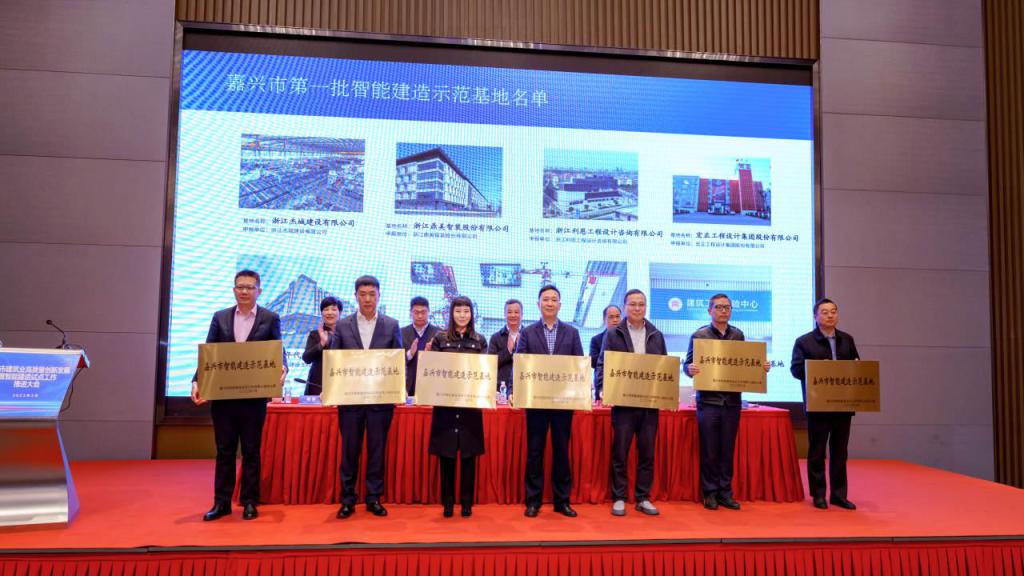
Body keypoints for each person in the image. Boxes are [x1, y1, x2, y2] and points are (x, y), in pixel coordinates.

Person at [191, 270, 286, 522]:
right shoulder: (220, 317)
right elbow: (209, 353)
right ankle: (221, 503)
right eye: (240, 287)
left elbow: (278, 349)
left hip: (254, 398)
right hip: (224, 397)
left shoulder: (270, 317)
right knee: (224, 451)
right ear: (234, 290)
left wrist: (283, 367)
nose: (244, 291)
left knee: (251, 451)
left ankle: (249, 502)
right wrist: (196, 381)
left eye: (249, 287)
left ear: (259, 291)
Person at [683, 293, 770, 511]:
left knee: (727, 449)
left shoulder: (737, 334)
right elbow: (687, 365)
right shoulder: (700, 335)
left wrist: (760, 367)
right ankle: (710, 493)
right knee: (710, 449)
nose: (723, 311)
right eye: (719, 307)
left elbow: (742, 363)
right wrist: (689, 369)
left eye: (727, 307)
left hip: (732, 401)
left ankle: (725, 492)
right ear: (709, 310)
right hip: (709, 402)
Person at [329, 275, 403, 519]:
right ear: (356, 296)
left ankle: (374, 498)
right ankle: (347, 499)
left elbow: (398, 361)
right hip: (350, 401)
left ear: (379, 296)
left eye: (372, 294)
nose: (368, 299)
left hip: (380, 401)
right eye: (363, 294)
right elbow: (335, 360)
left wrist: (398, 388)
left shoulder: (391, 325)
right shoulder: (343, 325)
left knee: (376, 450)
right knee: (349, 451)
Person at [596, 289, 666, 517]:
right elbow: (602, 363)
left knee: (647, 453)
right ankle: (619, 497)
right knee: (620, 452)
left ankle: (643, 497)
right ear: (625, 307)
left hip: (649, 403)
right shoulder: (614, 333)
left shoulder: (656, 334)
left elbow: (664, 367)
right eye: (633, 304)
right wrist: (602, 389)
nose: (637, 308)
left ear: (646, 307)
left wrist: (667, 393)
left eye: (641, 304)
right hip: (623, 402)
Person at [517, 285, 584, 518]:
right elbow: (520, 363)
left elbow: (579, 365)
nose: (549, 303)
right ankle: (533, 501)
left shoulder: (572, 333)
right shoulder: (528, 332)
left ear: (560, 305)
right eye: (545, 299)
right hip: (536, 402)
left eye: (554, 299)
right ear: (538, 304)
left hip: (563, 404)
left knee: (562, 452)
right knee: (535, 452)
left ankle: (562, 501)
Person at [791, 298, 860, 510]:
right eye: (825, 312)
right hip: (818, 406)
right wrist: (819, 369)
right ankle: (819, 494)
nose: (830, 315)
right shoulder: (804, 342)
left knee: (840, 452)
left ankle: (839, 495)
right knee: (817, 452)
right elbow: (796, 370)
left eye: (833, 311)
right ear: (815, 316)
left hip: (843, 405)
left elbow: (857, 366)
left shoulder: (847, 339)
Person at [428, 295, 487, 518]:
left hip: (470, 408)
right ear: (451, 314)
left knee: (469, 457)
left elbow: (484, 374)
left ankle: (467, 503)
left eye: (466, 311)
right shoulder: (440, 339)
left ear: (472, 314)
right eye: (458, 311)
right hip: (446, 407)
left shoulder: (480, 341)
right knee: (447, 456)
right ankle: (448, 503)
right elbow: (432, 372)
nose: (462, 315)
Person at [300, 296, 342, 396]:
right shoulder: (315, 334)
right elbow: (306, 358)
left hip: (341, 383)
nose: (330, 312)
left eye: (333, 309)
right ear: (322, 313)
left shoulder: (346, 333)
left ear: (340, 313)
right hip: (317, 385)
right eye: (326, 309)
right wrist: (321, 344)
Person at [401, 296, 440, 396]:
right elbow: (397, 360)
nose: (420, 316)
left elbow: (443, 362)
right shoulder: (401, 332)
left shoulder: (439, 333)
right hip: (407, 386)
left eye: (423, 312)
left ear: (428, 312)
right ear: (410, 313)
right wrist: (410, 353)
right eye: (416, 312)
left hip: (431, 385)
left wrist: (429, 355)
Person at [488, 298, 523, 395]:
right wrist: (507, 351)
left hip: (523, 387)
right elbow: (490, 365)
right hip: (500, 389)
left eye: (516, 312)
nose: (513, 315)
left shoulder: (528, 335)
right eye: (509, 312)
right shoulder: (495, 337)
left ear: (522, 315)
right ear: (504, 314)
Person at [590, 304, 622, 401]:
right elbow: (592, 362)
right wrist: (609, 353)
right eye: (611, 317)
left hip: (622, 384)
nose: (615, 320)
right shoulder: (596, 339)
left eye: (617, 316)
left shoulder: (626, 338)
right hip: (603, 385)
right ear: (604, 320)